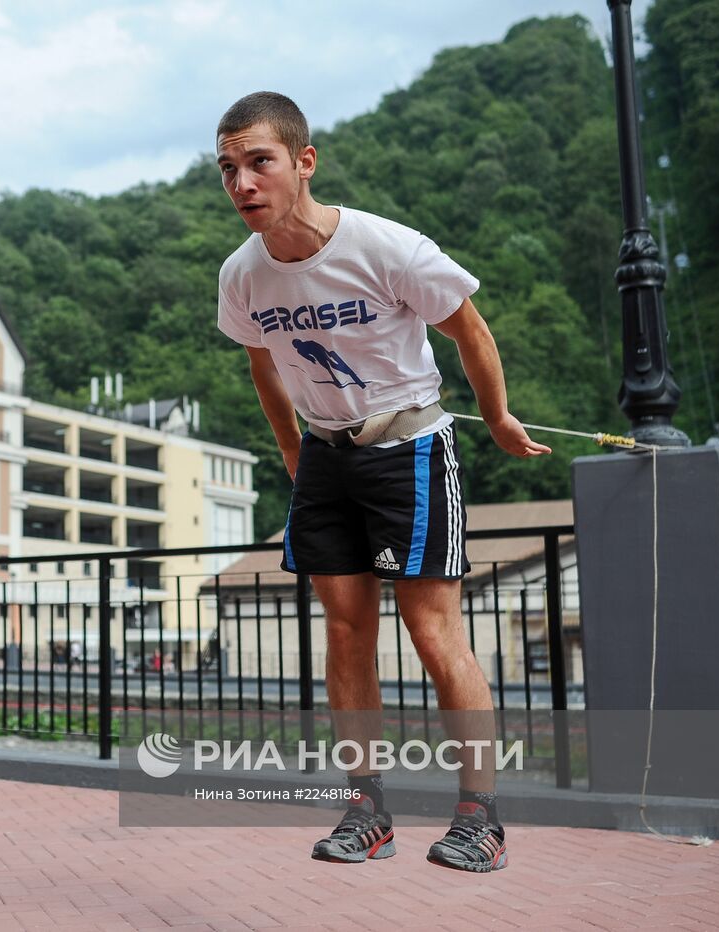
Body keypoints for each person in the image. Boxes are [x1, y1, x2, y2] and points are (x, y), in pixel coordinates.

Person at [214, 92, 550, 873]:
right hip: (326, 460)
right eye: (228, 169)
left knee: (433, 634)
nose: (241, 184)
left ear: (304, 162)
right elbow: (263, 365)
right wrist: (294, 453)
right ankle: (368, 809)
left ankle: (480, 818)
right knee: (344, 631)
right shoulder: (244, 275)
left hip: (409, 449)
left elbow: (469, 327)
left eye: (258, 163)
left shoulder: (386, 247)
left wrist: (497, 418)